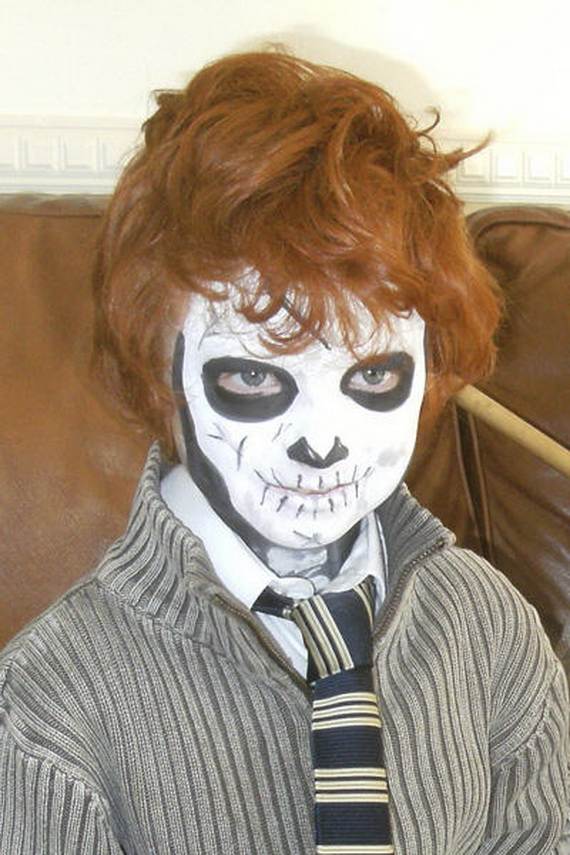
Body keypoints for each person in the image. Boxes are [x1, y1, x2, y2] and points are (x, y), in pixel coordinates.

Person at [0, 50, 568, 854]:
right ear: (159, 364)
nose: (322, 440)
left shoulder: (490, 628)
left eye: (373, 375)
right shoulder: (55, 704)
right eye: (254, 377)